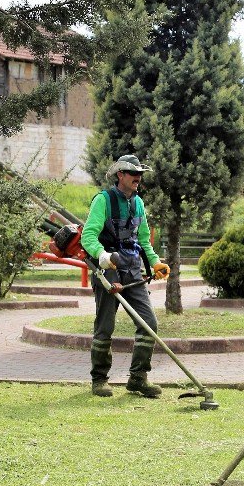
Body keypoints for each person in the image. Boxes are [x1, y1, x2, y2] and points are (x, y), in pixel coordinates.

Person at [81, 154, 170, 398]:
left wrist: (155, 262)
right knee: (105, 326)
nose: (138, 178)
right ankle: (99, 379)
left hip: (133, 271)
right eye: (134, 173)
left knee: (148, 323)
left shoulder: (138, 203)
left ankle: (138, 378)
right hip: (108, 270)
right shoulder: (103, 200)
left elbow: (143, 240)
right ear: (121, 175)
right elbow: (88, 236)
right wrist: (102, 256)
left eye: (140, 174)